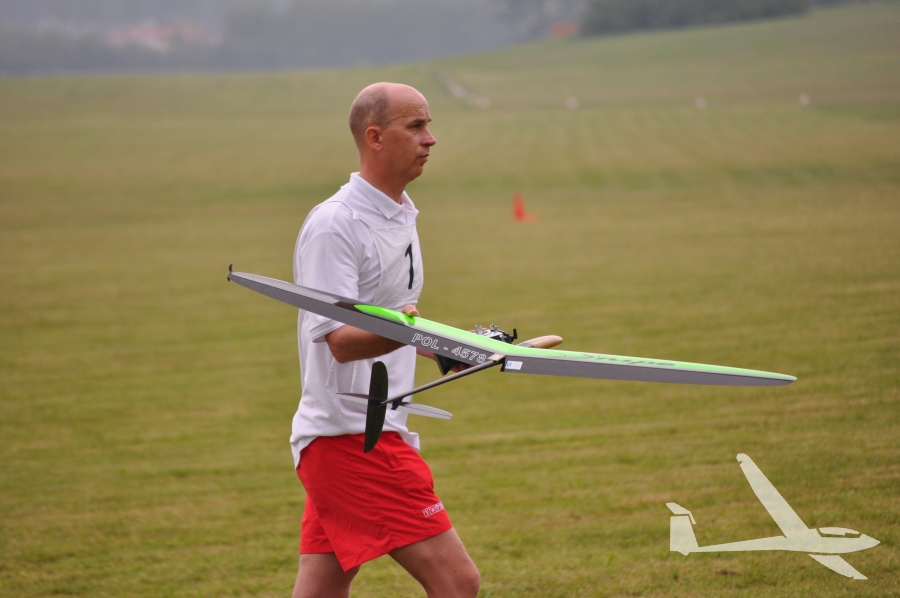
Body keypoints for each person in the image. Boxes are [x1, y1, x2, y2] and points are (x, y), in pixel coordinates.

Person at [290, 83, 481, 598]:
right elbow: (339, 340)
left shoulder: (399, 212)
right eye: (415, 126)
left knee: (320, 591)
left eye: (428, 126)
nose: (430, 139)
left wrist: (448, 348)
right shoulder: (336, 224)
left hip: (356, 432)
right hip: (353, 438)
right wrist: (409, 330)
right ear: (375, 137)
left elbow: (393, 322)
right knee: (458, 583)